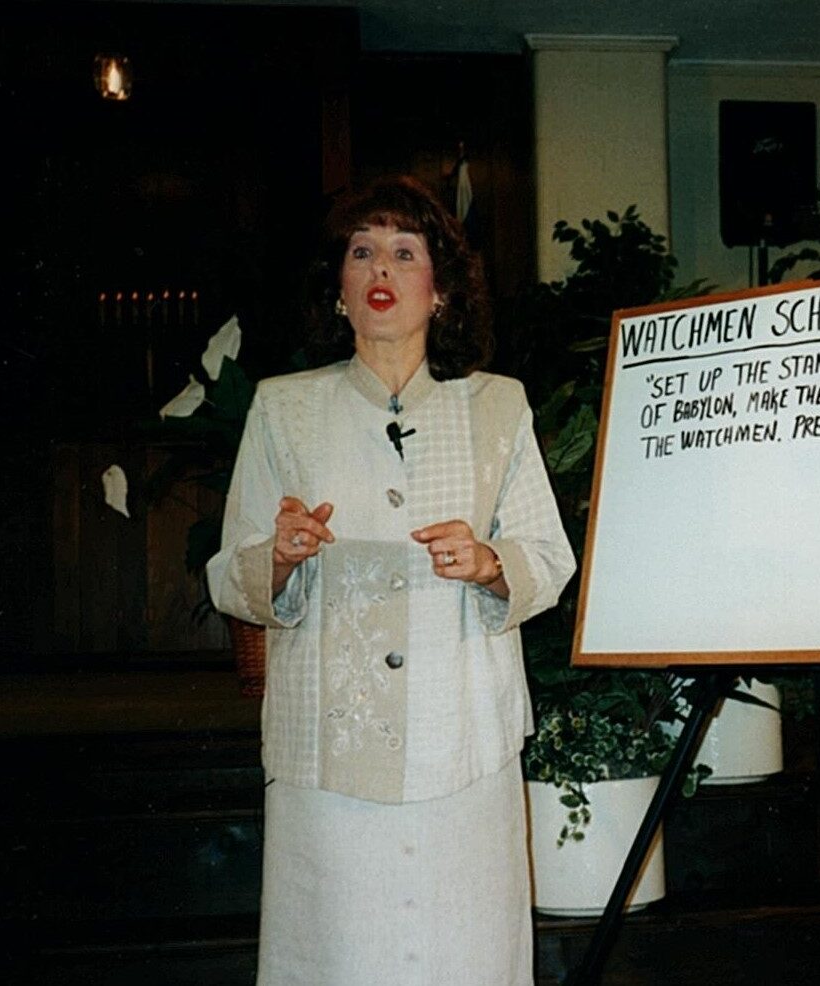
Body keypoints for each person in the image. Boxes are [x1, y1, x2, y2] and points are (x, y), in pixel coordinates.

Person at [207, 175, 575, 985]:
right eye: (361, 251)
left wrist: (489, 563)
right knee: (342, 954)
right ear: (337, 287)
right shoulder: (283, 409)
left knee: (466, 953)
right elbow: (228, 575)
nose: (381, 268)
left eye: (405, 253)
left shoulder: (498, 407)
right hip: (330, 750)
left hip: (464, 743)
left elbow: (548, 558)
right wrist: (278, 554)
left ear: (439, 288)